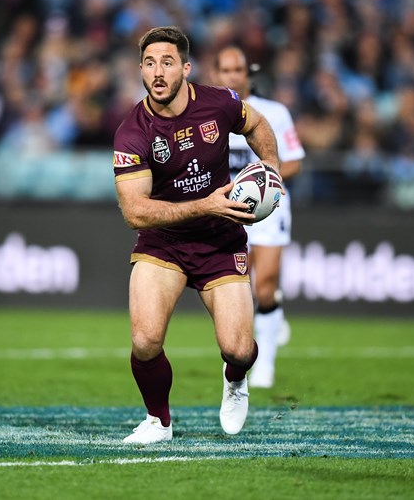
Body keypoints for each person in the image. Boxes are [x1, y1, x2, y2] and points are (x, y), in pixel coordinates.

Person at [113, 26, 281, 444]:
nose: (158, 72)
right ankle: (158, 421)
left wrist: (272, 163)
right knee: (145, 339)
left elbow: (257, 124)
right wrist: (203, 204)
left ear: (185, 68)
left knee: (239, 350)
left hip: (220, 241)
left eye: (167, 63)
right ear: (140, 70)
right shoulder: (132, 131)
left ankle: (236, 379)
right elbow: (135, 211)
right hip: (163, 242)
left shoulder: (219, 102)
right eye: (150, 63)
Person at [213, 46, 305, 388]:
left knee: (264, 287)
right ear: (216, 74)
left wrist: (265, 178)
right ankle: (249, 352)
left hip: (267, 208)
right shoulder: (209, 112)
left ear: (247, 73)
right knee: (237, 284)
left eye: (238, 69)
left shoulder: (274, 112)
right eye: (225, 70)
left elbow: (294, 160)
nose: (232, 76)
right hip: (227, 209)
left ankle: (265, 360)